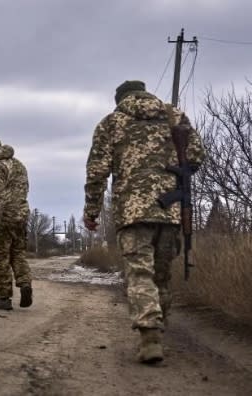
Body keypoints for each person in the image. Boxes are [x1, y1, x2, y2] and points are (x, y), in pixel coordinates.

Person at [83, 80, 206, 363]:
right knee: (161, 276)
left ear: (120, 100)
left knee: (140, 274)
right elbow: (197, 157)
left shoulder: (111, 123)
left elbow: (97, 172)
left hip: (132, 213)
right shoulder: (175, 116)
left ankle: (150, 337)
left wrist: (91, 211)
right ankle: (159, 333)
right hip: (172, 211)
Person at [0, 136, 33, 310]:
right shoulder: (18, 165)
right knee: (18, 254)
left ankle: (4, 298)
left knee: (0, 258)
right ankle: (25, 284)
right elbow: (21, 191)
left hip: (3, 219)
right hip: (21, 217)